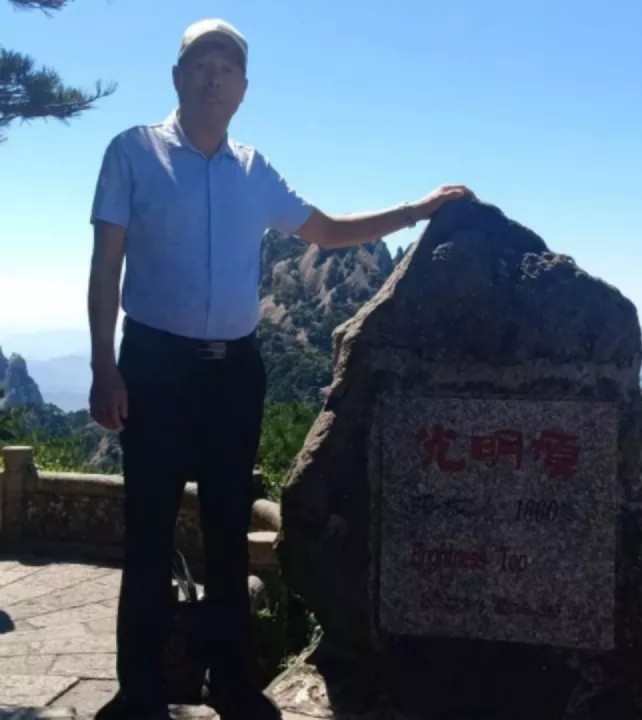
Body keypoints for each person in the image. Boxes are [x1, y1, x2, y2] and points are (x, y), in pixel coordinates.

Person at [87, 16, 474, 720]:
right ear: (177, 77)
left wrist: (416, 211)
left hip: (234, 373)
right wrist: (102, 367)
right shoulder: (133, 152)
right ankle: (139, 695)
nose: (213, 78)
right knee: (147, 532)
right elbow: (105, 268)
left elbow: (325, 231)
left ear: (243, 88)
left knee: (228, 531)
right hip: (153, 366)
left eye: (227, 69)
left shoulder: (253, 170)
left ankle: (233, 684)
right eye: (201, 65)